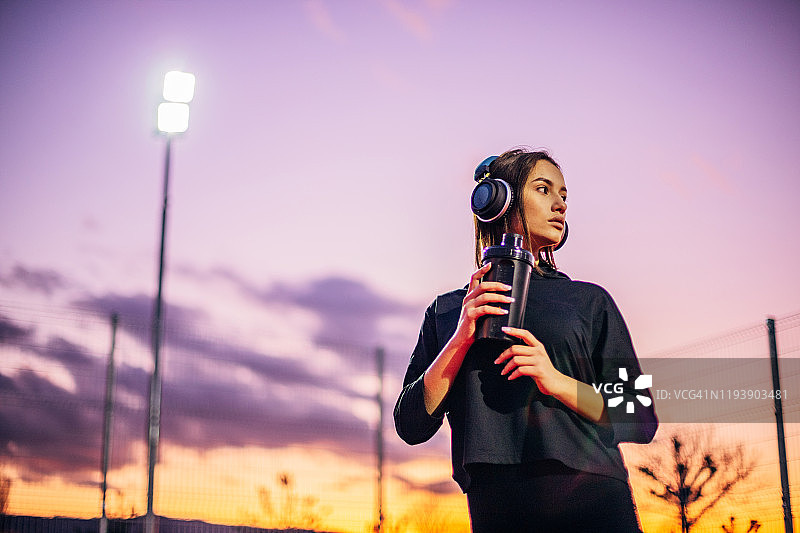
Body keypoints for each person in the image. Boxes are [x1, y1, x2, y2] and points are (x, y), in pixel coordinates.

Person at [394, 148, 658, 532]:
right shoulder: (448, 311)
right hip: (496, 505)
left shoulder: (589, 301)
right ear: (497, 199)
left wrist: (556, 381)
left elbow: (639, 417)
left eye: (564, 195)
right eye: (544, 189)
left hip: (594, 497)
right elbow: (410, 425)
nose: (560, 205)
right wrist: (460, 338)